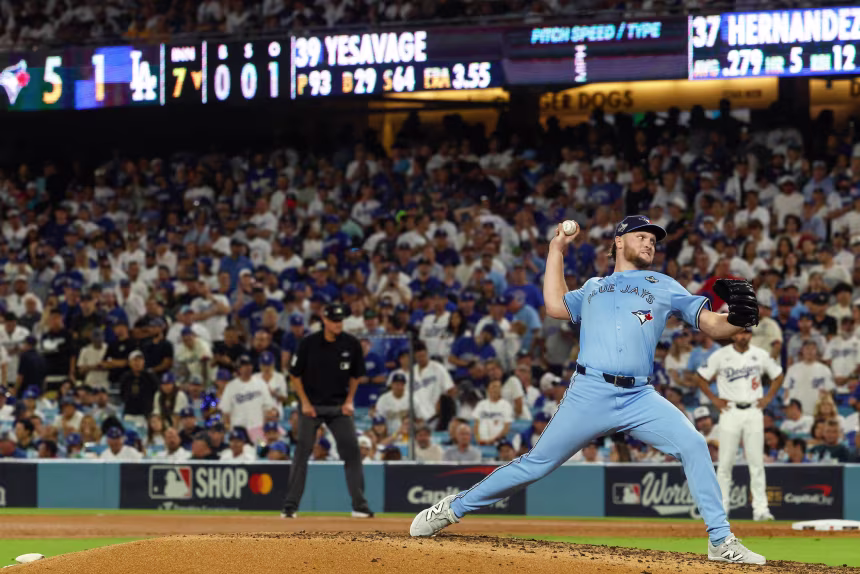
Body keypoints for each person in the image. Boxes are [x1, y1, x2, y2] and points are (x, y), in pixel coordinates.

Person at [409, 215, 767, 565]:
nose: (649, 242)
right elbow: (553, 305)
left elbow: (713, 326)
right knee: (535, 465)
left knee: (693, 443)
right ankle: (452, 509)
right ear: (618, 241)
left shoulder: (664, 284)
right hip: (589, 391)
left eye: (653, 240)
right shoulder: (594, 287)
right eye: (641, 235)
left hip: (639, 397)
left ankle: (720, 540)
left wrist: (736, 319)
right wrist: (557, 250)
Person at [281, 303, 373, 519]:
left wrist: (350, 400)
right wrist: (304, 402)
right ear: (324, 320)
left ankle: (359, 506)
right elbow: (295, 374)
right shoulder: (308, 343)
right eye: (334, 320)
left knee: (352, 451)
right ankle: (290, 507)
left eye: (340, 320)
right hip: (311, 406)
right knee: (302, 452)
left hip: (339, 406)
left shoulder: (351, 344)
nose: (338, 324)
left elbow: (356, 375)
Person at [696, 328, 784, 521]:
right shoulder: (720, 355)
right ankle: (721, 510)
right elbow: (700, 377)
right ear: (733, 335)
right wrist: (715, 400)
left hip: (754, 410)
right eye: (740, 333)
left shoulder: (760, 354)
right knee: (725, 463)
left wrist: (768, 398)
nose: (743, 336)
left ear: (750, 335)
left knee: (756, 463)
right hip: (730, 410)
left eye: (746, 333)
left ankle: (761, 510)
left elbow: (778, 375)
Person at [220, 355, 277, 442]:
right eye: (244, 365)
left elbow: (268, 408)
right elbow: (225, 411)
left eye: (249, 365)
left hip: (258, 428)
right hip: (238, 429)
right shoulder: (231, 386)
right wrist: (228, 427)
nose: (247, 368)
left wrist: (265, 426)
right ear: (239, 368)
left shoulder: (261, 384)